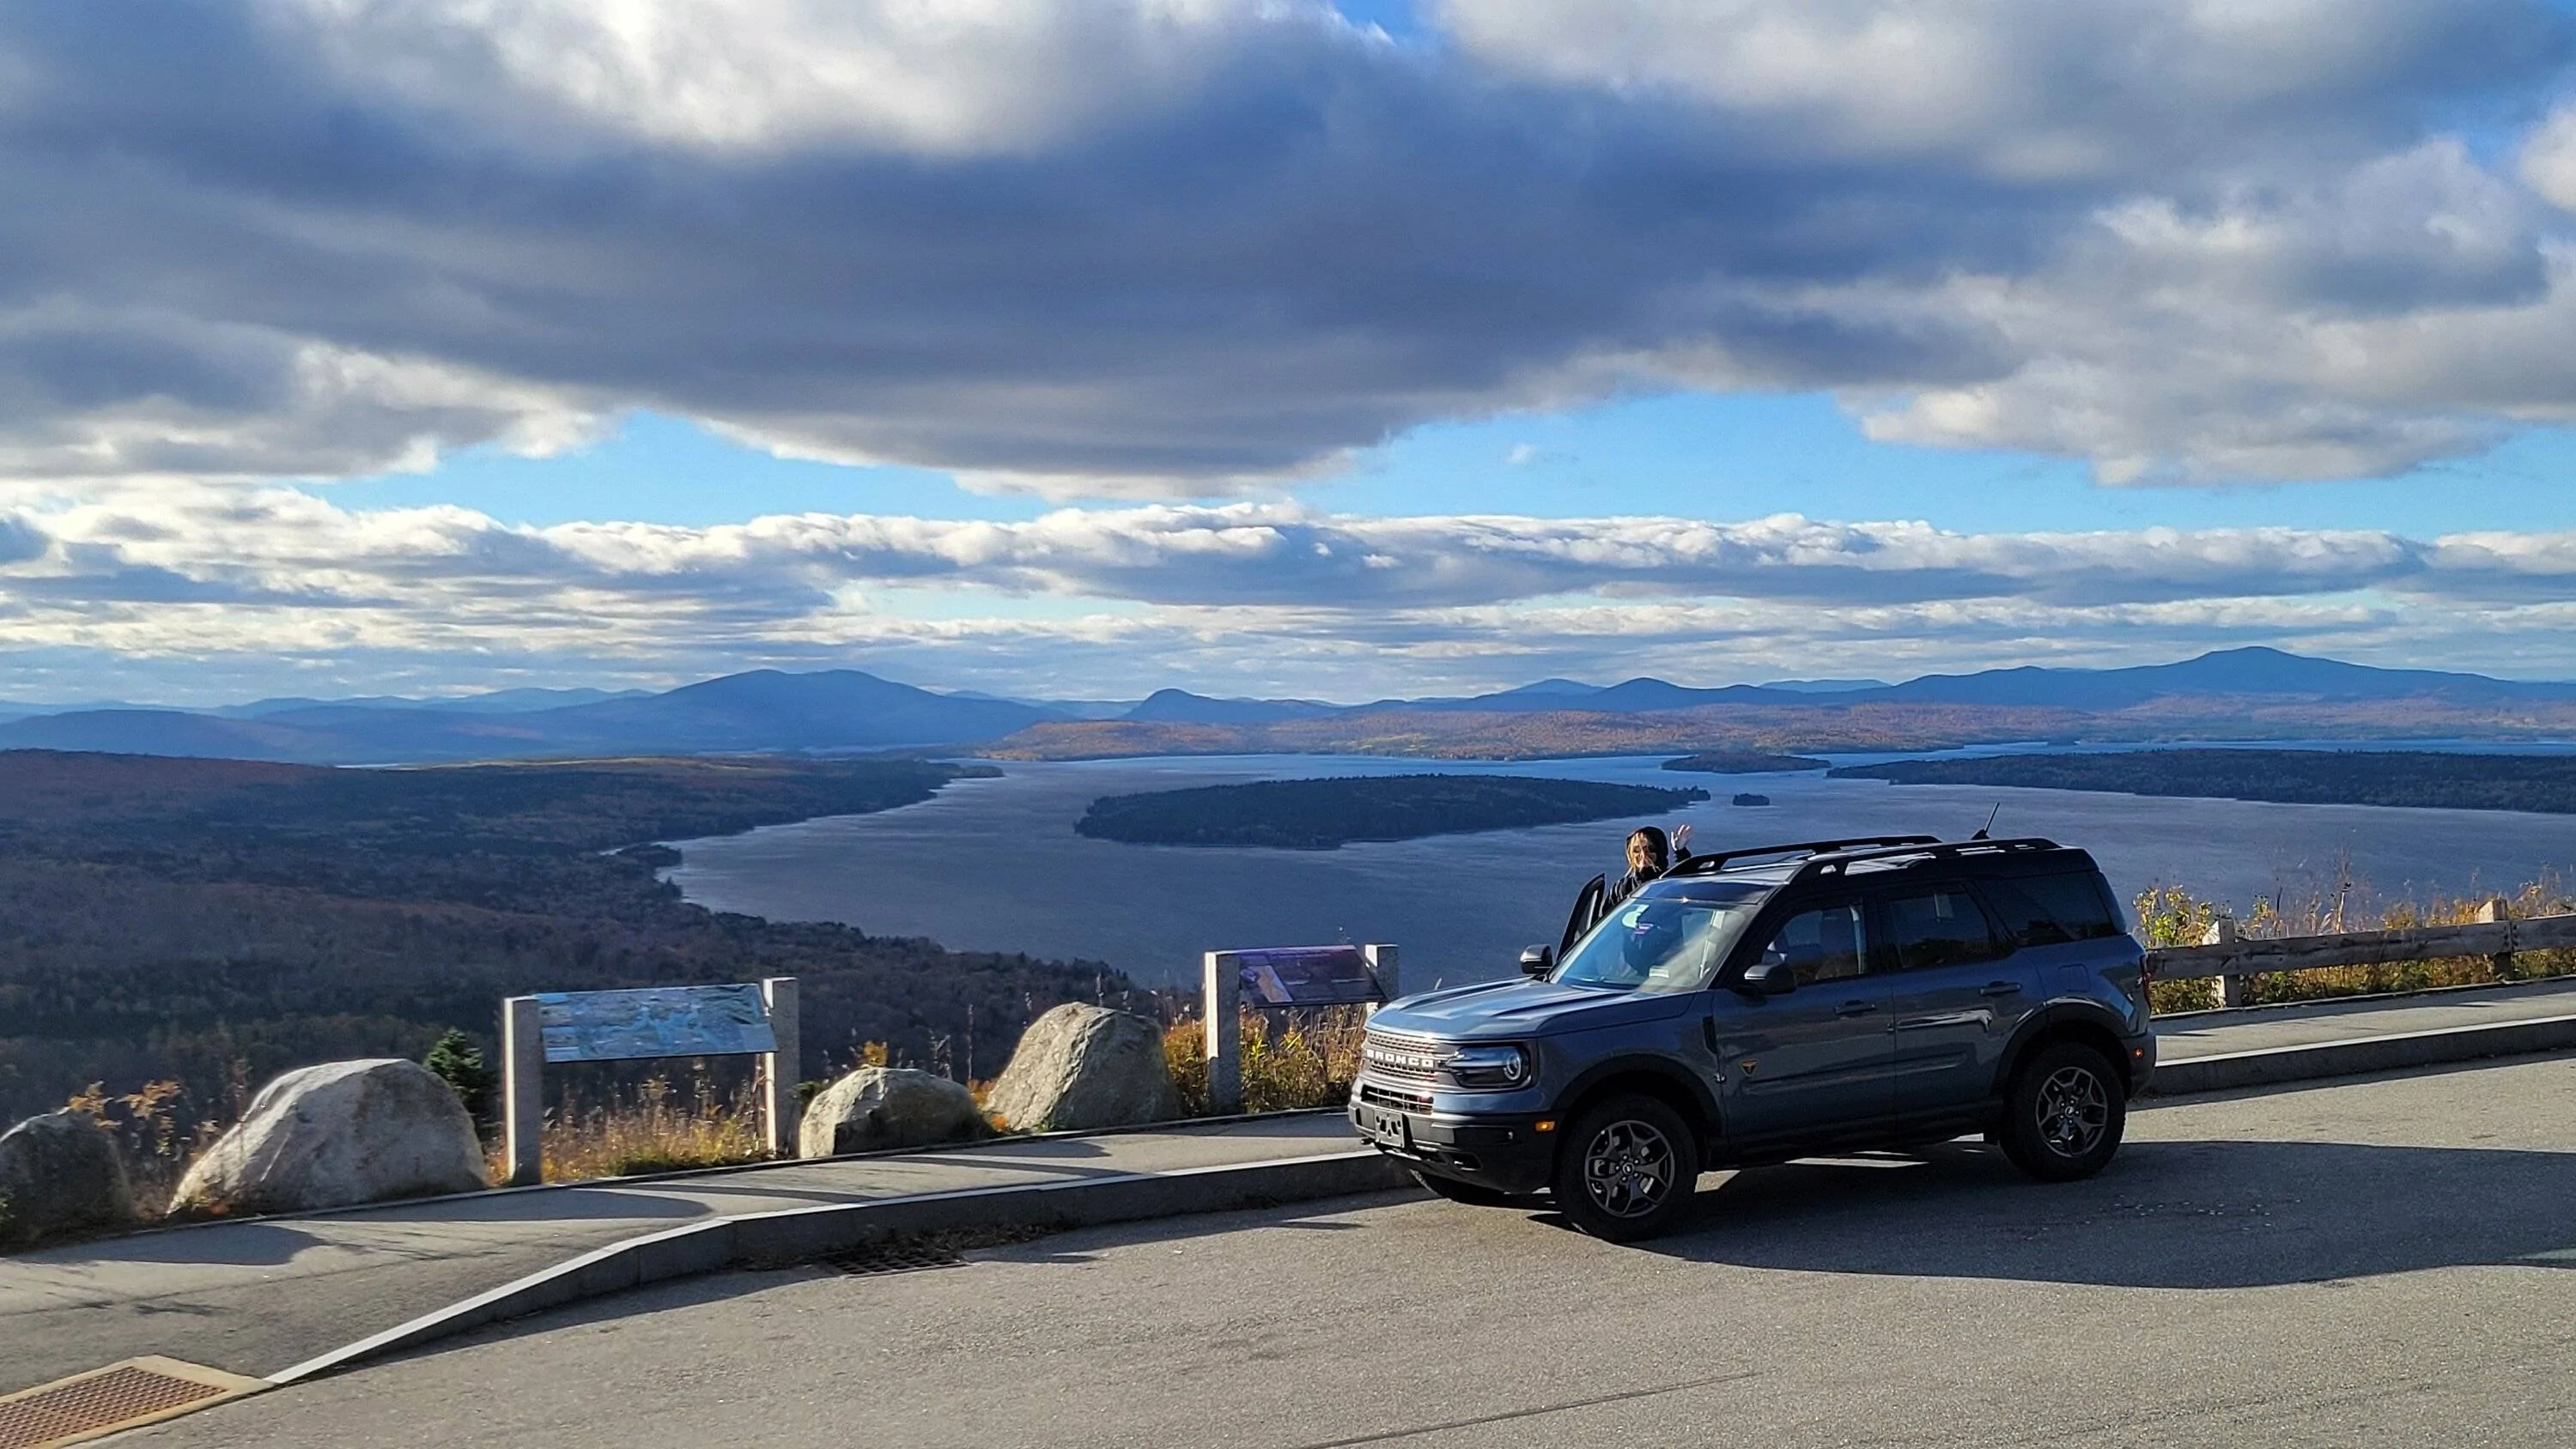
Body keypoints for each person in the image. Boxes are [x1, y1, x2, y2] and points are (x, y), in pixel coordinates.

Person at [1604, 822, 1693, 912]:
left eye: (1650, 849)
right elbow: (1604, 918)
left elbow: (1690, 885)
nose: (1643, 855)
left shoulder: (1669, 882)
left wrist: (1680, 852)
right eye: (1637, 850)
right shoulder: (1622, 888)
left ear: (1660, 852)